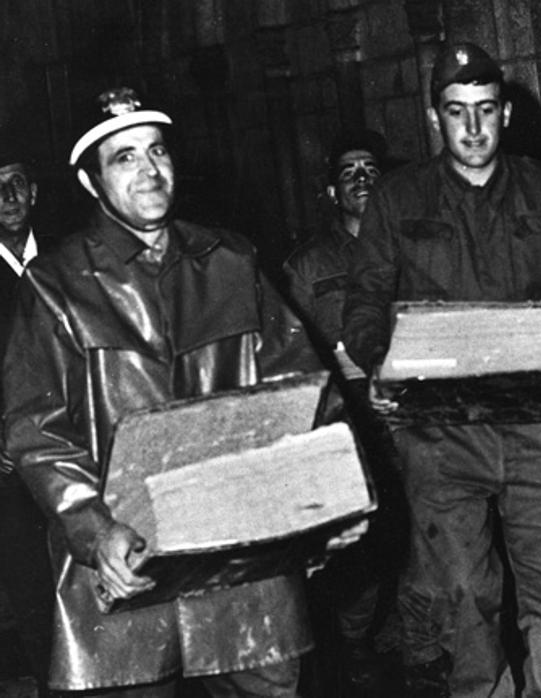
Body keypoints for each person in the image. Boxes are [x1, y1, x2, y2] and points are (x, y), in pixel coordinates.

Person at [3, 86, 330, 696]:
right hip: (126, 566)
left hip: (243, 564)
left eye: (157, 151)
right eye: (124, 158)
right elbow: (35, 432)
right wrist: (94, 529)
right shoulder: (56, 287)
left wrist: (325, 497)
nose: (150, 171)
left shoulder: (231, 261)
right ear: (90, 182)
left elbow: (303, 388)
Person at [342, 42, 541, 695]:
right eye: (458, 113)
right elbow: (364, 306)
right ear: (437, 119)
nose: (474, 128)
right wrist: (382, 361)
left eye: (486, 110)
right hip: (442, 433)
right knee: (464, 603)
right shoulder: (399, 202)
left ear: (506, 113)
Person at [283, 130, 407, 692]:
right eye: (348, 172)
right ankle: (353, 645)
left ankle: (427, 647)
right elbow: (292, 351)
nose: (361, 178)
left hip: (407, 403)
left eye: (370, 169)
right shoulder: (308, 265)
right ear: (332, 191)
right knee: (360, 536)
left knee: (429, 527)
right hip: (346, 414)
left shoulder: (409, 244)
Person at [0, 132, 55, 695]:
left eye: (17, 183)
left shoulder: (71, 258)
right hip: (10, 472)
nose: (8, 196)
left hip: (78, 453)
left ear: (34, 192)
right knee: (34, 593)